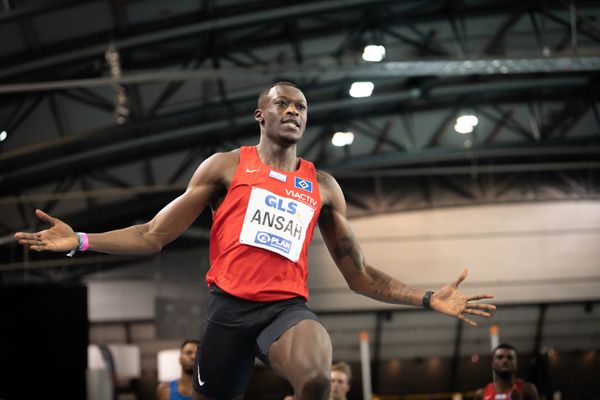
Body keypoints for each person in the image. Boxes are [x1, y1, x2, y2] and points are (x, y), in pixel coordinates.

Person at [15, 82, 496, 400]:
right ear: (260, 115)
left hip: (284, 309)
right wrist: (79, 239)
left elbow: (359, 274)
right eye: (282, 103)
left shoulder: (323, 187)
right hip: (227, 311)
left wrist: (428, 297)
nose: (292, 111)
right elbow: (153, 235)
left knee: (316, 378)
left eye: (301, 107)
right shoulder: (225, 167)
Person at [475, 343, 540, 400]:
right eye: (500, 357)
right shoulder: (481, 394)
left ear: (516, 363)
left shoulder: (527, 390)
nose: (505, 361)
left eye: (510, 357)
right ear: (492, 363)